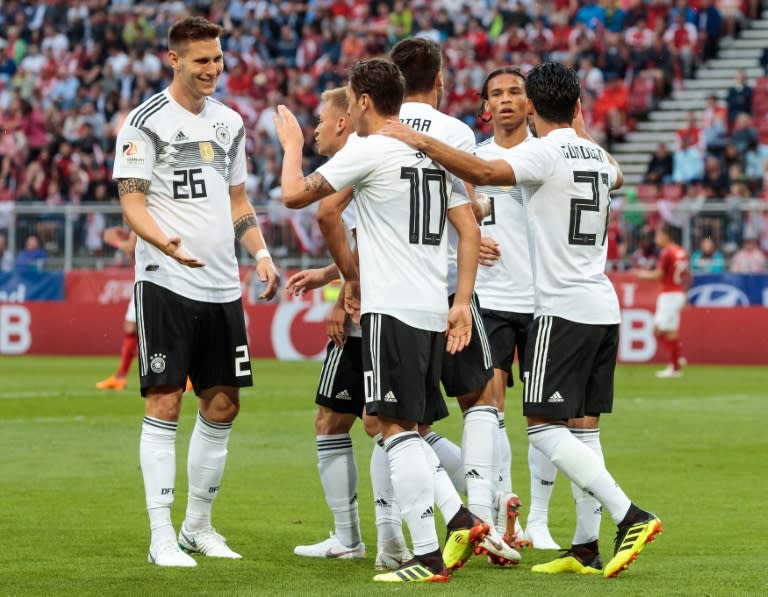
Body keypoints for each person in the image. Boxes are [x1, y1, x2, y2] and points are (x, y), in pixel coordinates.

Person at [382, 61, 662, 579]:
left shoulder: (542, 151)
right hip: (603, 305)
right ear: (579, 106)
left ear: (531, 105)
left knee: (541, 429)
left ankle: (629, 515)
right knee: (583, 428)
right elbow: (616, 175)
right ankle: (585, 546)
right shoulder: (598, 157)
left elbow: (486, 173)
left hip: (560, 308)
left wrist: (416, 141)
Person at [273, 58, 487, 583]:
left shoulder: (367, 151)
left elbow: (297, 197)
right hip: (431, 307)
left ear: (363, 101)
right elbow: (469, 226)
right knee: (405, 425)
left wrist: (292, 147)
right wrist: (461, 301)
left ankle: (428, 554)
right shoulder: (429, 152)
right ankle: (455, 519)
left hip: (390, 309)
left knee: (393, 429)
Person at [112, 16, 279, 568]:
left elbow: (237, 202)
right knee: (165, 401)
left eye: (217, 58)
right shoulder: (145, 123)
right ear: (174, 60)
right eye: (201, 60)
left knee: (224, 404)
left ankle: (197, 527)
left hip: (220, 283)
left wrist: (259, 252)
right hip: (166, 279)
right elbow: (132, 203)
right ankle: (160, 535)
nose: (212, 69)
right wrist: (167, 243)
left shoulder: (231, 122)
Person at [389, 37, 520, 566]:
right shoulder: (456, 132)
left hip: (395, 292)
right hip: (448, 285)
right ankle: (488, 516)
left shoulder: (377, 131)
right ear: (440, 80)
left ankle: (399, 539)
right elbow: (465, 210)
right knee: (481, 401)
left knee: (397, 422)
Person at [286, 87, 412, 570]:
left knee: (383, 425)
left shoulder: (360, 158)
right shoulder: (365, 159)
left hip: (369, 313)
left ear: (344, 121)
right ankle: (348, 537)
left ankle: (472, 503)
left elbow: (316, 210)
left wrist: (342, 296)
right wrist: (327, 275)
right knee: (335, 419)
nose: (315, 126)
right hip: (379, 302)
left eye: (320, 119)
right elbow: (365, 242)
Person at [470, 66, 559, 551]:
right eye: (496, 93)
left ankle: (541, 520)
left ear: (531, 103)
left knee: (544, 416)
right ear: (486, 105)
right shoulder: (472, 159)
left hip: (544, 297)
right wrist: (471, 234)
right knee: (490, 407)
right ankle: (509, 512)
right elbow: (450, 216)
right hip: (493, 298)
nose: (505, 100)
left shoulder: (547, 155)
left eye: (515, 92)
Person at [638, 224, 690, 378]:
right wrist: (685, 294)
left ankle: (675, 363)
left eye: (658, 235)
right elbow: (688, 274)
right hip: (678, 293)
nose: (656, 239)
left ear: (666, 236)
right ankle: (676, 364)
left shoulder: (667, 252)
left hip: (669, 295)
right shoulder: (681, 251)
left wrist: (641, 274)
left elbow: (658, 275)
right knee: (671, 331)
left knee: (657, 329)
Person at [95, 227, 139, 391]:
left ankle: (188, 376)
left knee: (164, 330)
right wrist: (128, 239)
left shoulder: (146, 209)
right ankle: (120, 376)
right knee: (132, 327)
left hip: (150, 278)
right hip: (152, 276)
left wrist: (114, 241)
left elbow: (132, 249)